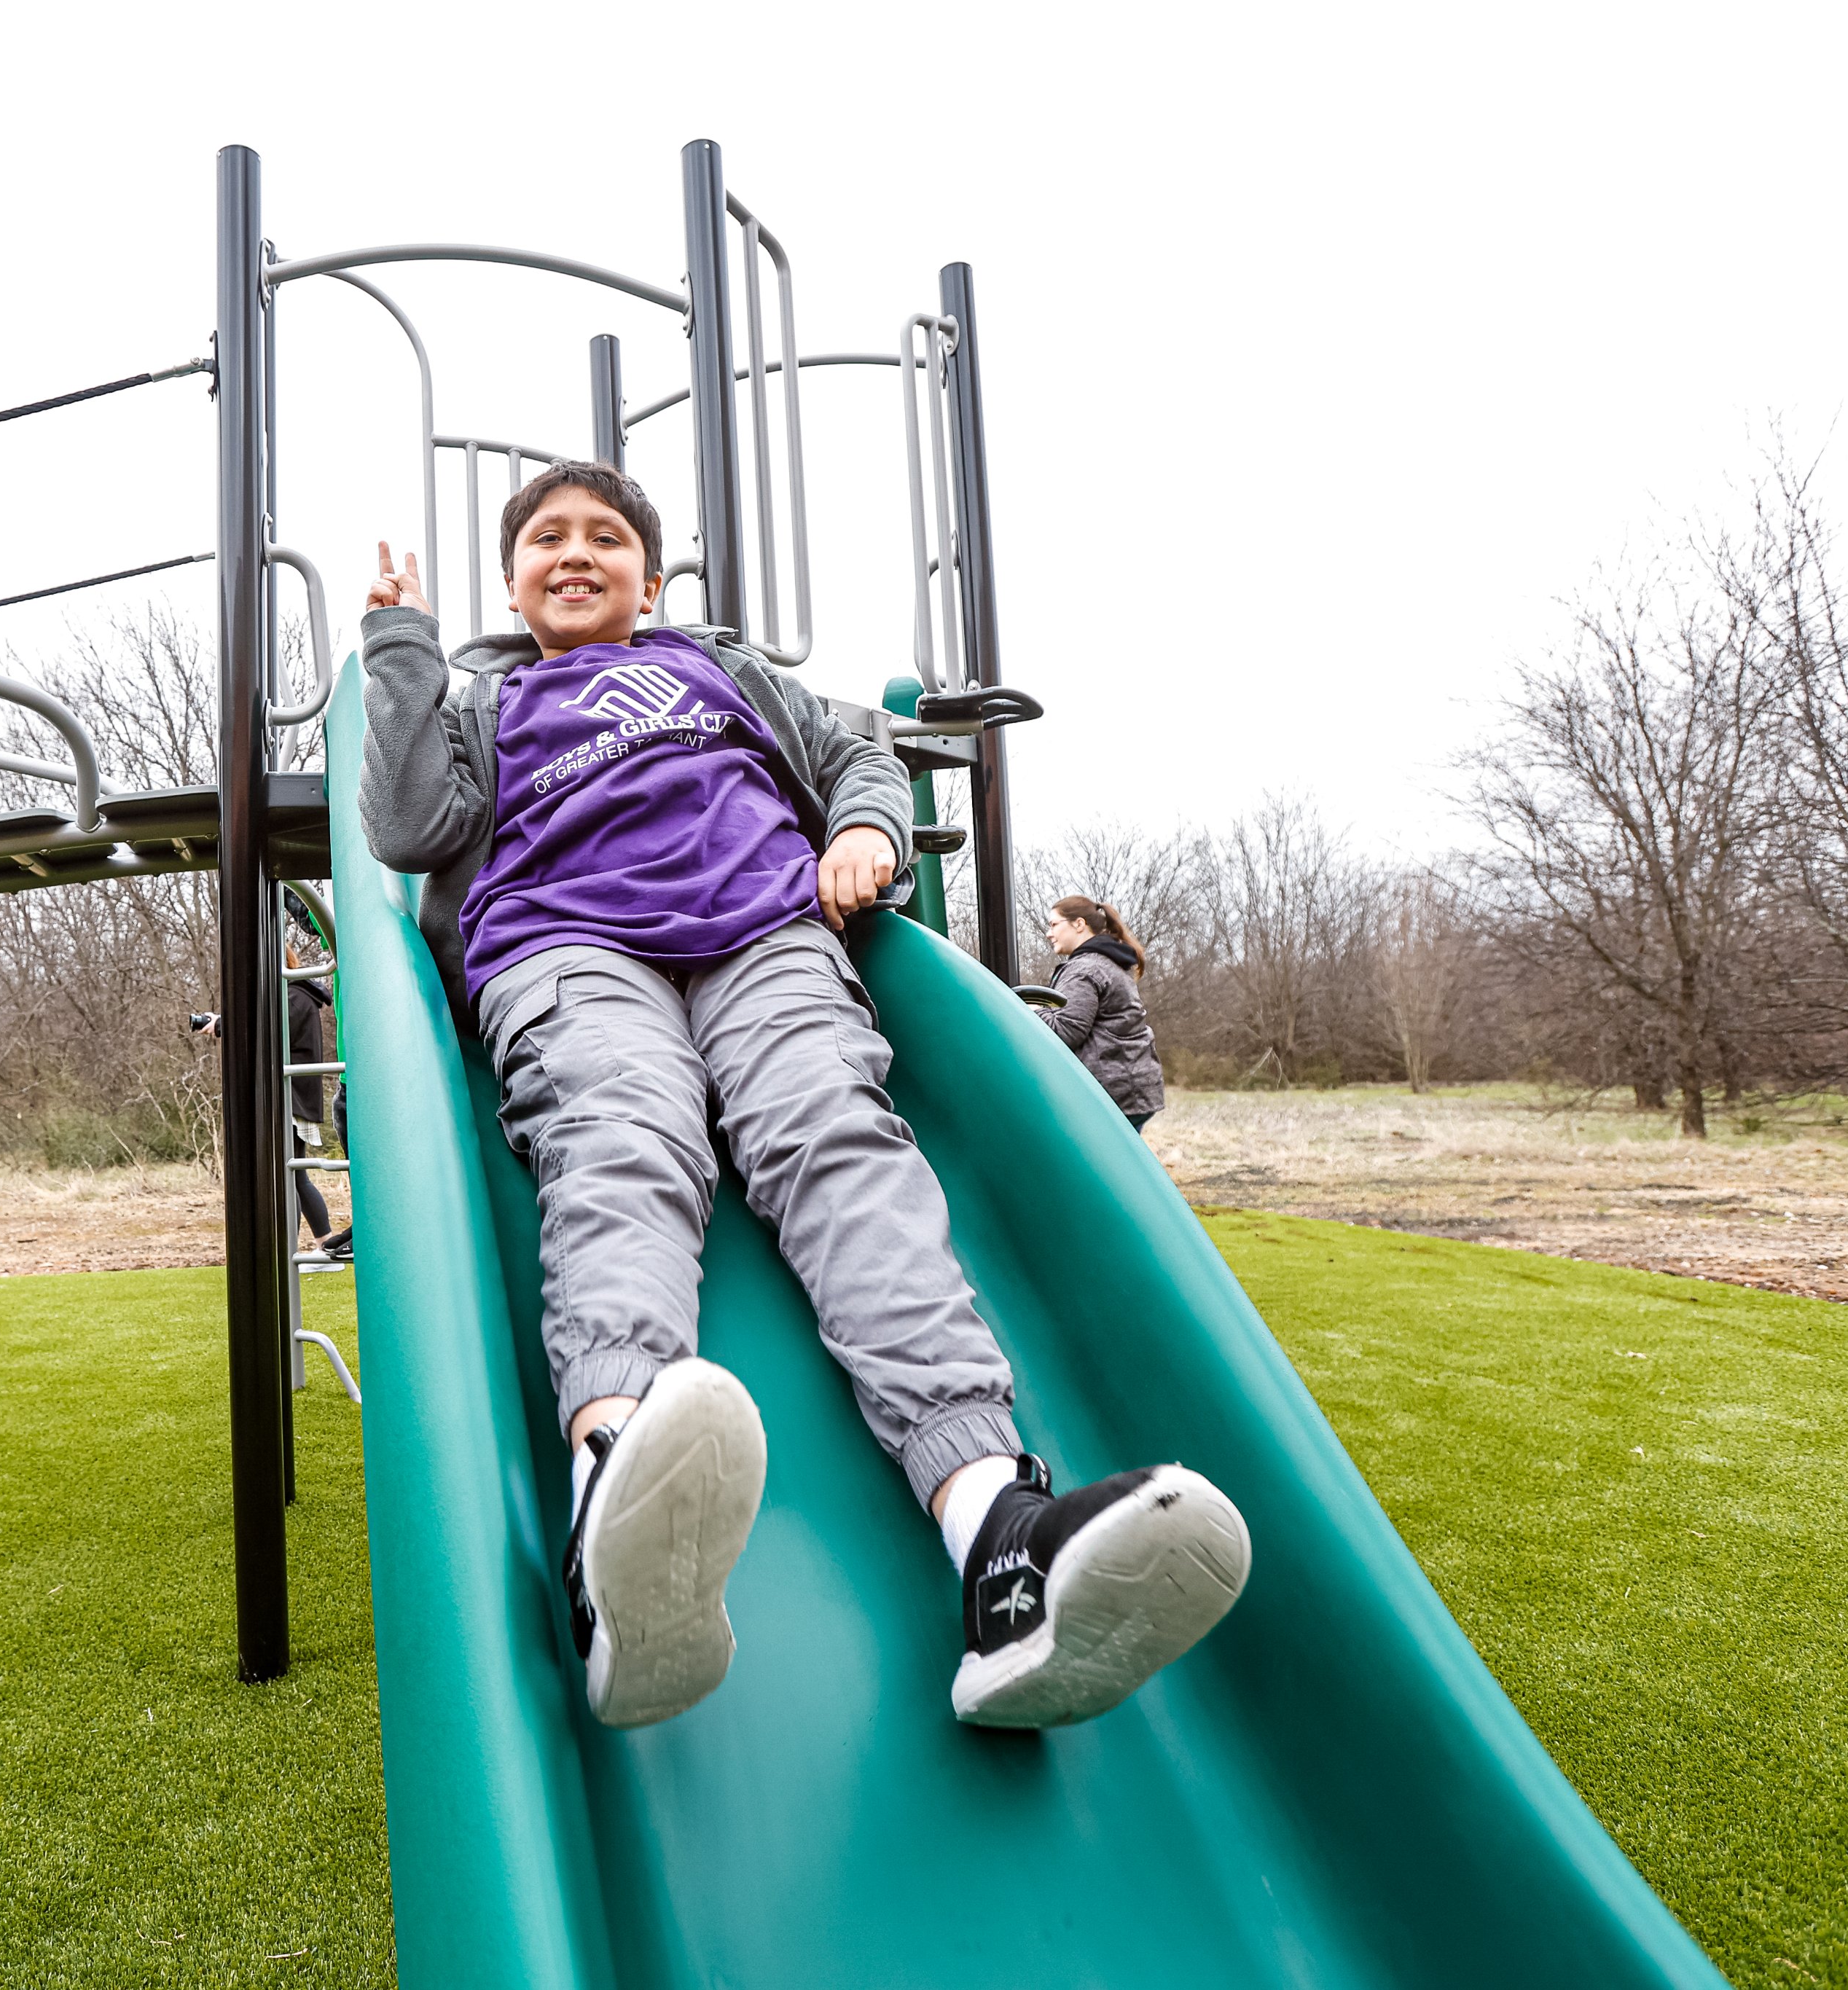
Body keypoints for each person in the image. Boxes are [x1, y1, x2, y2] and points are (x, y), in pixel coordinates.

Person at [359, 460, 1249, 1732]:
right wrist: (401, 648)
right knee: (623, 1136)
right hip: (566, 948)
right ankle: (612, 1505)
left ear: (647, 581)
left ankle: (999, 1540)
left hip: (763, 933)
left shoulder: (718, 668)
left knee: (840, 1141)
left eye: (605, 538)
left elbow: (855, 754)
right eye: (545, 538)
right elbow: (406, 825)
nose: (574, 553)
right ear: (511, 583)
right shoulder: (488, 699)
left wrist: (866, 831)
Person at [1043, 896, 1165, 1132]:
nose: (1049, 933)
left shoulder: (1085, 969)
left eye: (1054, 925)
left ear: (1079, 924)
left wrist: (1034, 1010)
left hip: (1112, 1092)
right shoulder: (1109, 962)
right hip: (1132, 1088)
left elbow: (1066, 1031)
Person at [284, 901, 352, 1261]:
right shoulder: (300, 995)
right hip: (308, 1091)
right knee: (295, 1175)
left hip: (294, 1096)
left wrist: (295, 899)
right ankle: (324, 1239)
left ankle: (293, 1250)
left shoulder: (294, 997)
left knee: (292, 1176)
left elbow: (272, 1034)